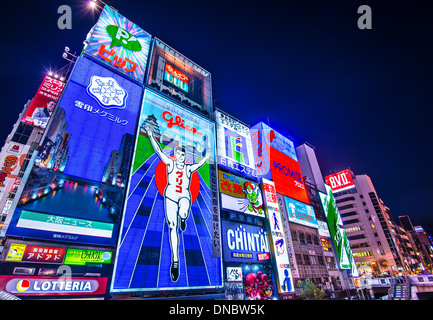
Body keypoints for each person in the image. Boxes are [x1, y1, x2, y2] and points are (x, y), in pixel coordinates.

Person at [145, 125, 210, 282]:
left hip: (184, 196)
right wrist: (151, 135)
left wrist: (207, 156)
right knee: (172, 227)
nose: (181, 156)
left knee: (184, 212)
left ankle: (183, 217)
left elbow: (200, 164)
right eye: (179, 154)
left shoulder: (188, 168)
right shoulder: (170, 163)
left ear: (185, 156)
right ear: (175, 154)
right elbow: (159, 151)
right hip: (171, 196)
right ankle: (175, 261)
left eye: (183, 154)